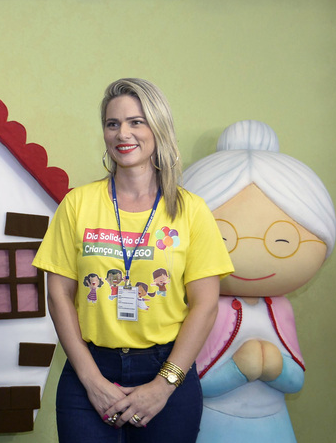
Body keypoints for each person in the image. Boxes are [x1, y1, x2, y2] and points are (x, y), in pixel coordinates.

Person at [32, 78, 234, 443]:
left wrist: (164, 384)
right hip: (90, 369)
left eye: (136, 122)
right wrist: (92, 381)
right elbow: (58, 295)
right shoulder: (78, 204)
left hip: (167, 368)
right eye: (113, 123)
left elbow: (205, 305)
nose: (122, 133)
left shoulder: (191, 210)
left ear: (157, 127)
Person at [183, 120, 336, 443]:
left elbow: (296, 380)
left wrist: (277, 368)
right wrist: (238, 370)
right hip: (210, 423)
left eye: (283, 241)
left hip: (273, 425)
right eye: (222, 239)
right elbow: (191, 380)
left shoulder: (280, 309)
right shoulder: (204, 305)